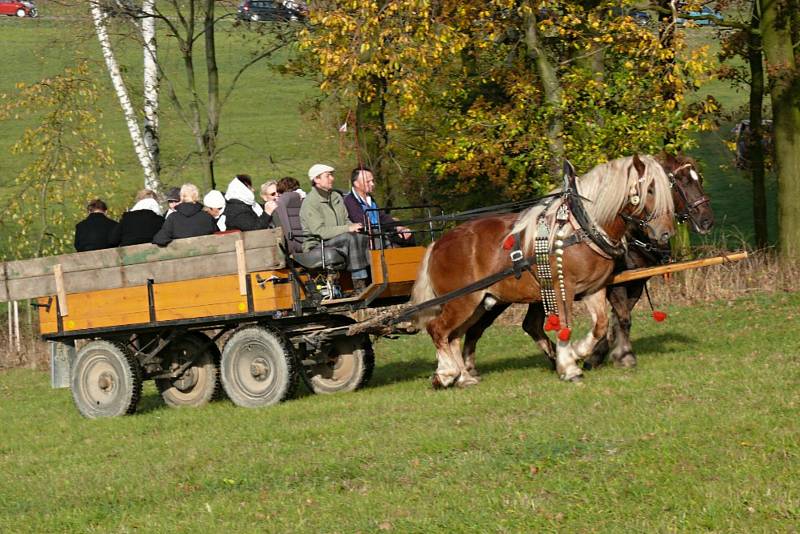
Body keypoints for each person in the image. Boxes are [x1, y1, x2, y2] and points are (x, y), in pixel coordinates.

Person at [300, 164, 371, 289]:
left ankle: (374, 278)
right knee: (352, 238)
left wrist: (355, 226)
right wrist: (348, 228)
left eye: (332, 175)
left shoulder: (336, 197)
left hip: (338, 238)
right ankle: (359, 284)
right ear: (316, 179)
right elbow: (320, 231)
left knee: (366, 236)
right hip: (317, 243)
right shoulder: (310, 202)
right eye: (328, 176)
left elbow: (345, 220)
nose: (332, 178)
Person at [343, 166, 414, 247]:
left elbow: (381, 216)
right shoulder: (349, 201)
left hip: (380, 232)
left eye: (372, 181)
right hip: (367, 237)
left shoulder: (370, 199)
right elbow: (362, 223)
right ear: (356, 183)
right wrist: (389, 228)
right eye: (368, 182)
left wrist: (397, 226)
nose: (372, 184)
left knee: (408, 234)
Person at [152, 183, 217, 246]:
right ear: (196, 196)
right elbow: (218, 235)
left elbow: (159, 239)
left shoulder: (173, 218)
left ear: (181, 197)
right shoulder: (207, 217)